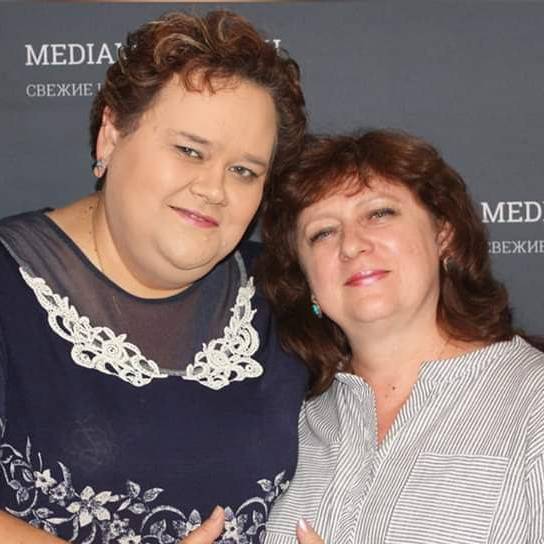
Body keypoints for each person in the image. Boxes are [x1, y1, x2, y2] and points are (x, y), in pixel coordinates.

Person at [0, 10, 308, 544]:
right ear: (111, 135)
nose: (213, 189)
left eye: (243, 171)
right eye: (189, 150)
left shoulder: (283, 292)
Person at [257, 130, 544, 543]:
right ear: (307, 282)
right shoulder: (293, 423)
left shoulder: (533, 403)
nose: (351, 245)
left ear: (443, 235)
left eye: (379, 213)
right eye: (322, 233)